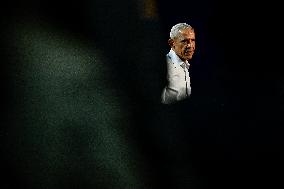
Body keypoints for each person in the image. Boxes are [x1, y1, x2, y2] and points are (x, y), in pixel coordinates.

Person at [161, 23, 196, 104]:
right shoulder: (165, 66)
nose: (190, 45)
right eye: (184, 41)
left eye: (193, 40)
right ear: (172, 43)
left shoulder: (185, 64)